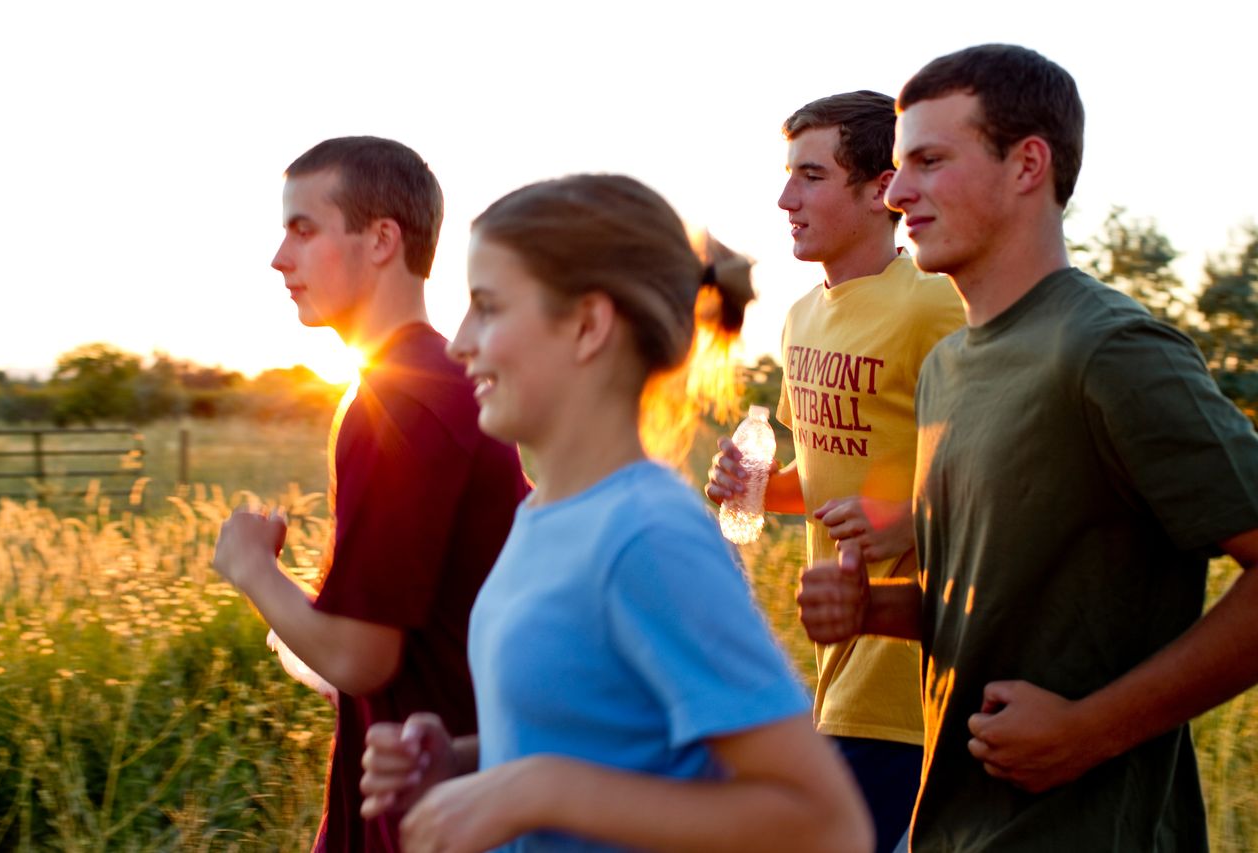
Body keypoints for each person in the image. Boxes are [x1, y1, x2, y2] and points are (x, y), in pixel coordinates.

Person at [798, 44, 1258, 851]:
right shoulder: (948, 366)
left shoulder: (1111, 351)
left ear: (1027, 165)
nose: (899, 193)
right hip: (950, 826)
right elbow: (983, 601)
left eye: (930, 161)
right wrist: (876, 608)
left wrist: (1090, 729)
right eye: (900, 168)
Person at [359, 174, 875, 853]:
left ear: (587, 325)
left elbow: (826, 823)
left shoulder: (649, 534)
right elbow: (601, 732)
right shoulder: (544, 512)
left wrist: (537, 789)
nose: (458, 342)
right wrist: (457, 764)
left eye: (487, 306)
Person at [210, 136, 528, 852]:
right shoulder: (429, 387)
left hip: (437, 814)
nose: (279, 258)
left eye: (303, 228)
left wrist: (253, 567)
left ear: (382, 238)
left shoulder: (405, 404)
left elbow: (362, 657)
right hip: (425, 798)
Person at [705, 91, 964, 852]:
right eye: (789, 174)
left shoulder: (934, 308)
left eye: (811, 176)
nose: (786, 197)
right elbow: (826, 478)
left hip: (914, 674)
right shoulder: (801, 317)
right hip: (835, 667)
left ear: (880, 188)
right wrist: (757, 484)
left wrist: (906, 516)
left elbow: (996, 474)